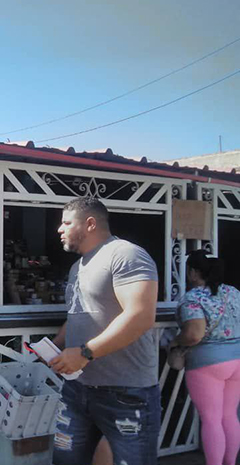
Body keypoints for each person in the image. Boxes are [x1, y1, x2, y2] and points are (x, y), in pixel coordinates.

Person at [50, 197, 161, 465]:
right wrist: (53, 347)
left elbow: (140, 316)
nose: (59, 229)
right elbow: (77, 314)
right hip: (77, 389)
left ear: (90, 224)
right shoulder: (78, 266)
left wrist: (85, 353)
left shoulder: (126, 255)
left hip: (125, 393)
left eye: (67, 223)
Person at [171, 250, 240, 465]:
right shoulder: (233, 292)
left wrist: (175, 342)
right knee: (229, 415)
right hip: (237, 359)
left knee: (211, 420)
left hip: (208, 363)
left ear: (193, 272)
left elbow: (194, 334)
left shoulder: (193, 298)